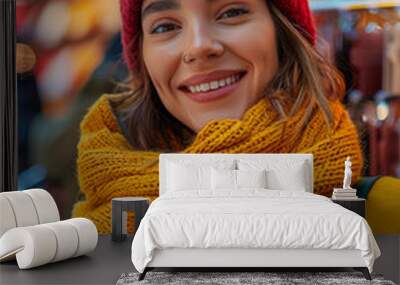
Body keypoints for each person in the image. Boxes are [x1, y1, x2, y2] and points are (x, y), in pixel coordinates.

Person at [72, 0, 364, 234]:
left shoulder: (382, 214)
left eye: (232, 12)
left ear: (282, 31)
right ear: (145, 59)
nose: (198, 46)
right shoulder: (95, 227)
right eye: (164, 27)